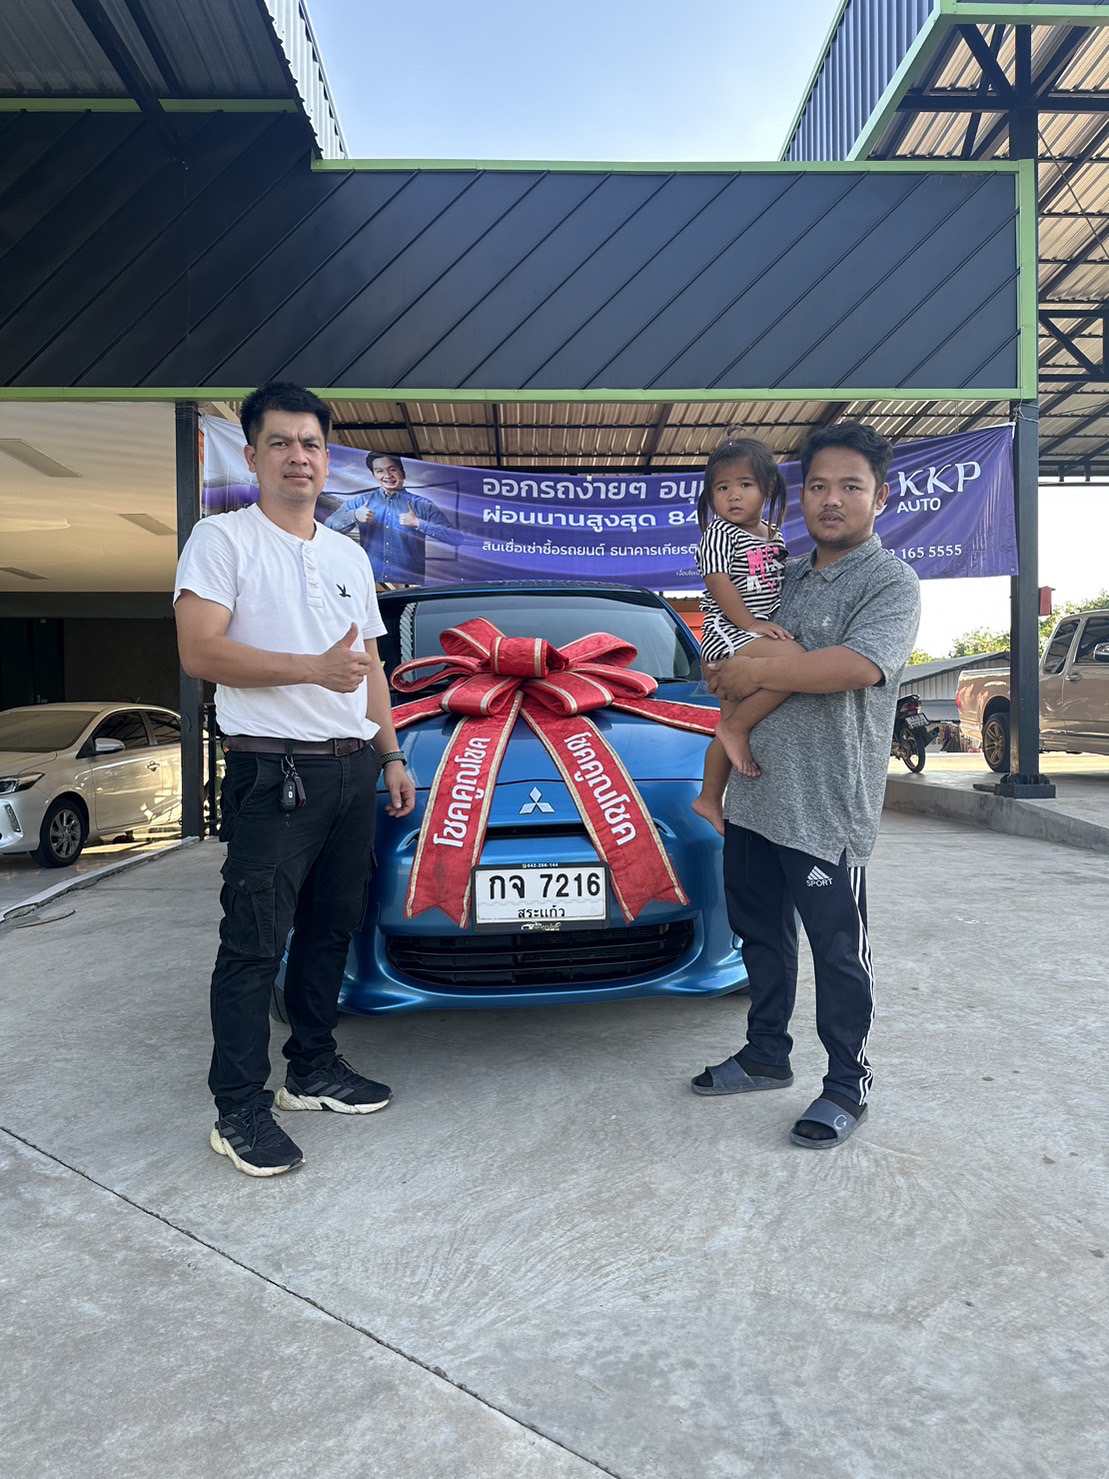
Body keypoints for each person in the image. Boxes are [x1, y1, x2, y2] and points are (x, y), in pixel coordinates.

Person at [175, 382, 416, 1179]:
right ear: (252, 455)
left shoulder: (348, 554)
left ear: (325, 457)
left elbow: (369, 665)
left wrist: (389, 754)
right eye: (280, 442)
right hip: (272, 770)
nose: (297, 456)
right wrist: (310, 669)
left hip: (351, 771)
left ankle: (312, 1067)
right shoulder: (221, 540)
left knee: (329, 929)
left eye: (310, 443)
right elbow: (200, 651)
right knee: (253, 943)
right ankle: (238, 1107)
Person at [690, 422, 920, 1151]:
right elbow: (726, 651)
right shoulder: (777, 573)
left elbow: (853, 666)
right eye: (818, 484)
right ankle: (766, 1053)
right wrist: (727, 669)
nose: (831, 499)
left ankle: (847, 1082)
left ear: (880, 497)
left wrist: (755, 669)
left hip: (825, 807)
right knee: (760, 935)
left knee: (837, 951)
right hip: (754, 796)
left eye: (850, 486)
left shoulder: (889, 582)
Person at [691, 437, 794, 836]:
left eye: (745, 484)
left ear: (768, 488)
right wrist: (750, 624)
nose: (733, 495)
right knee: (795, 662)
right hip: (727, 632)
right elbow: (718, 583)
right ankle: (735, 732)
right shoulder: (719, 533)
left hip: (752, 631)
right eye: (722, 487)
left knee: (730, 719)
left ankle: (709, 797)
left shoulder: (774, 536)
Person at [325, 453, 464, 584]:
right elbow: (327, 527)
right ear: (374, 475)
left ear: (402, 473)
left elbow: (456, 538)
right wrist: (354, 515)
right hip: (371, 582)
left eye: (392, 469)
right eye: (379, 471)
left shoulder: (423, 505)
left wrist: (418, 523)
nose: (387, 476)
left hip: (408, 585)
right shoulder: (361, 502)